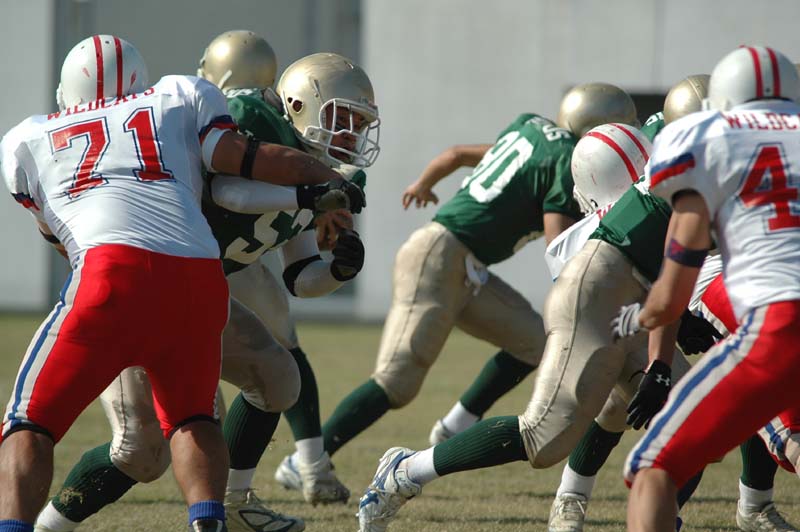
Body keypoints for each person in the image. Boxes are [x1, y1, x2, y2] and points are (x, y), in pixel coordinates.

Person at [13, 35, 357, 532]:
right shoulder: (209, 109)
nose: (349, 133)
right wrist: (313, 187)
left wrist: (336, 258)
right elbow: (233, 177)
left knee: (277, 378)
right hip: (182, 282)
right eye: (343, 119)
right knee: (149, 446)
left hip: (153, 281)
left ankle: (234, 504)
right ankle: (51, 526)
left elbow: (300, 274)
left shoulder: (34, 136)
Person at [354, 123, 692, 532]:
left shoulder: (682, 179)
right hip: (596, 299)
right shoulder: (683, 189)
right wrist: (661, 361)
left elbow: (669, 283)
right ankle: (406, 470)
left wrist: (666, 348)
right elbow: (669, 281)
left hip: (632, 302)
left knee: (692, 413)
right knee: (542, 437)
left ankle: (635, 512)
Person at [549, 73, 797, 532]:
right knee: (629, 409)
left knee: (730, 394)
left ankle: (752, 503)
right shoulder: (673, 154)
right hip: (696, 276)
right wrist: (674, 329)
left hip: (711, 273)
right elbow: (664, 250)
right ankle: (572, 495)